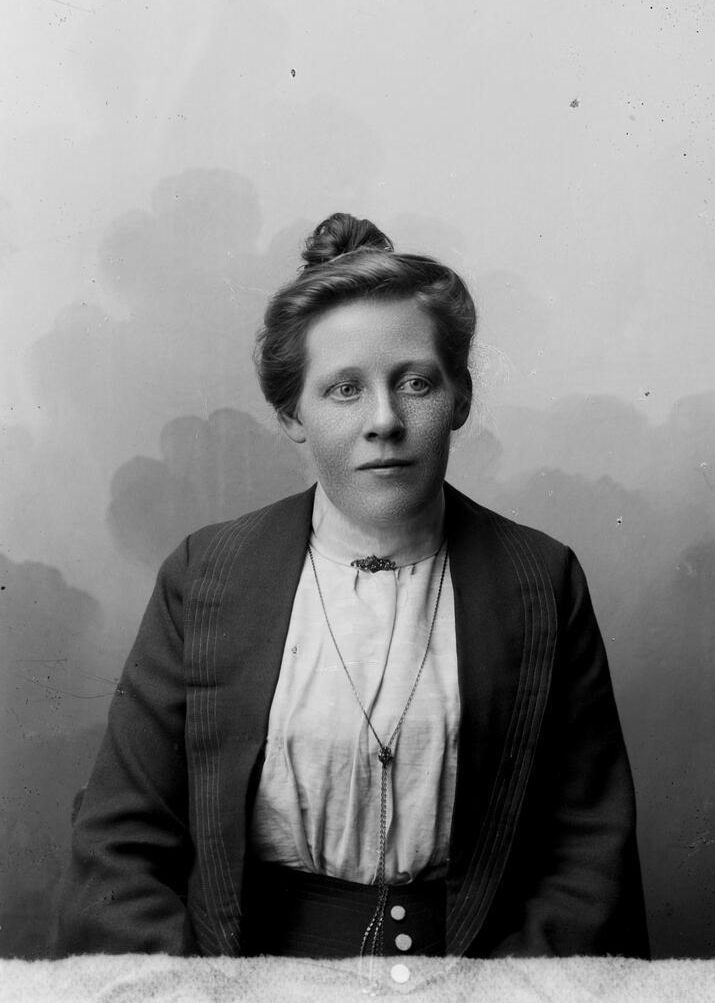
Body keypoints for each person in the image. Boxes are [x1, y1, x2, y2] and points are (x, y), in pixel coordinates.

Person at [55, 213, 648, 968]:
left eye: (416, 383)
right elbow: (119, 846)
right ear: (291, 414)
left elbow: (587, 853)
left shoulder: (539, 578)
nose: (384, 421)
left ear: (460, 397)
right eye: (343, 390)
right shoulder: (206, 576)